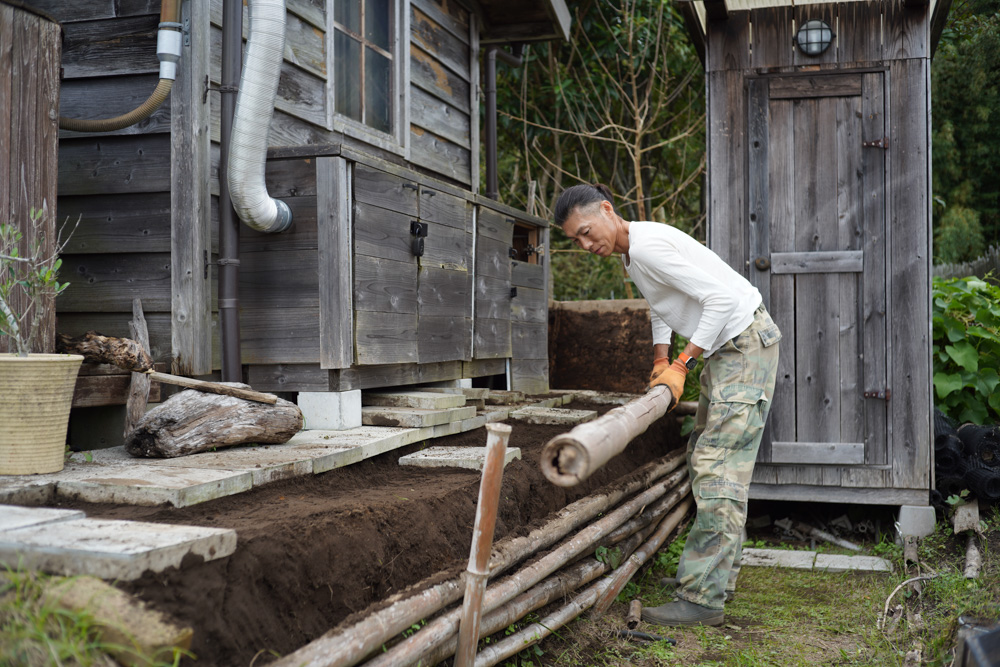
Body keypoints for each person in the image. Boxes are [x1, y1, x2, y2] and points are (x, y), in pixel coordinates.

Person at [554, 183, 781, 627]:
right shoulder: (632, 251)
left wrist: (682, 362)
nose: (584, 245)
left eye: (585, 231)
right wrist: (662, 359)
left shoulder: (650, 247)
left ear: (606, 209)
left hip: (742, 345)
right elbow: (663, 304)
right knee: (711, 459)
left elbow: (721, 299)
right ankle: (715, 579)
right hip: (729, 348)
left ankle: (701, 599)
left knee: (718, 467)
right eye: (575, 240)